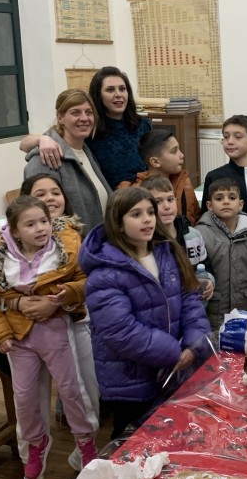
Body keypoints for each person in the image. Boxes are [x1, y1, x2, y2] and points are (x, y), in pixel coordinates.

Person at [0, 195, 97, 479]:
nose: (40, 228)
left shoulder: (65, 246)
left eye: (43, 221)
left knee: (73, 392)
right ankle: (33, 472)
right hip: (19, 339)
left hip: (56, 332)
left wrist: (65, 296)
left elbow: (86, 280)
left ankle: (87, 452)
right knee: (25, 400)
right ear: (14, 231)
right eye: (30, 224)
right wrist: (0, 332)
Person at [79, 187, 211, 440]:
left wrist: (194, 343)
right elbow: (120, 331)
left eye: (150, 212)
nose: (147, 219)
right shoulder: (104, 273)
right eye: (136, 214)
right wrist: (173, 352)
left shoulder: (166, 252)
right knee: (130, 442)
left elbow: (189, 298)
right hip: (131, 380)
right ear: (118, 223)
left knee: (167, 436)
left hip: (171, 371)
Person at [19, 173, 101, 469]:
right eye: (40, 193)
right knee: (31, 398)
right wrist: (19, 303)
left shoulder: (73, 236)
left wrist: (60, 299)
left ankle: (84, 452)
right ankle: (32, 463)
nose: (50, 198)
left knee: (86, 388)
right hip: (27, 329)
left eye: (55, 192)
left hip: (73, 321)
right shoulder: (8, 243)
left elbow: (89, 280)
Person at [21, 67, 151, 189]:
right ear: (98, 95)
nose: (118, 94)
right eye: (110, 90)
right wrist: (43, 139)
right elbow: (25, 145)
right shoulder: (88, 129)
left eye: (122, 89)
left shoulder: (143, 126)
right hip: (112, 199)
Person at [21, 89, 110, 235]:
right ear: (60, 118)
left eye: (89, 112)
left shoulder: (86, 152)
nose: (84, 118)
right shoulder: (45, 157)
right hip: (69, 246)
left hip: (95, 243)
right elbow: (38, 215)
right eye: (76, 113)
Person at [196, 177, 247, 330]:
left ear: (240, 204)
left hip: (243, 308)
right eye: (219, 198)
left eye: (232, 198)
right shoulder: (201, 233)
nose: (226, 202)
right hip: (212, 311)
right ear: (209, 205)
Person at [141, 175, 214, 302]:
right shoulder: (144, 242)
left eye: (170, 199)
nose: (167, 206)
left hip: (195, 305)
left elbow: (205, 266)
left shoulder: (193, 235)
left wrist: (209, 280)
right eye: (158, 202)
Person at [127, 129, 200, 226]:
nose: (182, 155)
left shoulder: (185, 184)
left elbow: (197, 218)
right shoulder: (135, 192)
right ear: (155, 162)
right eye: (174, 151)